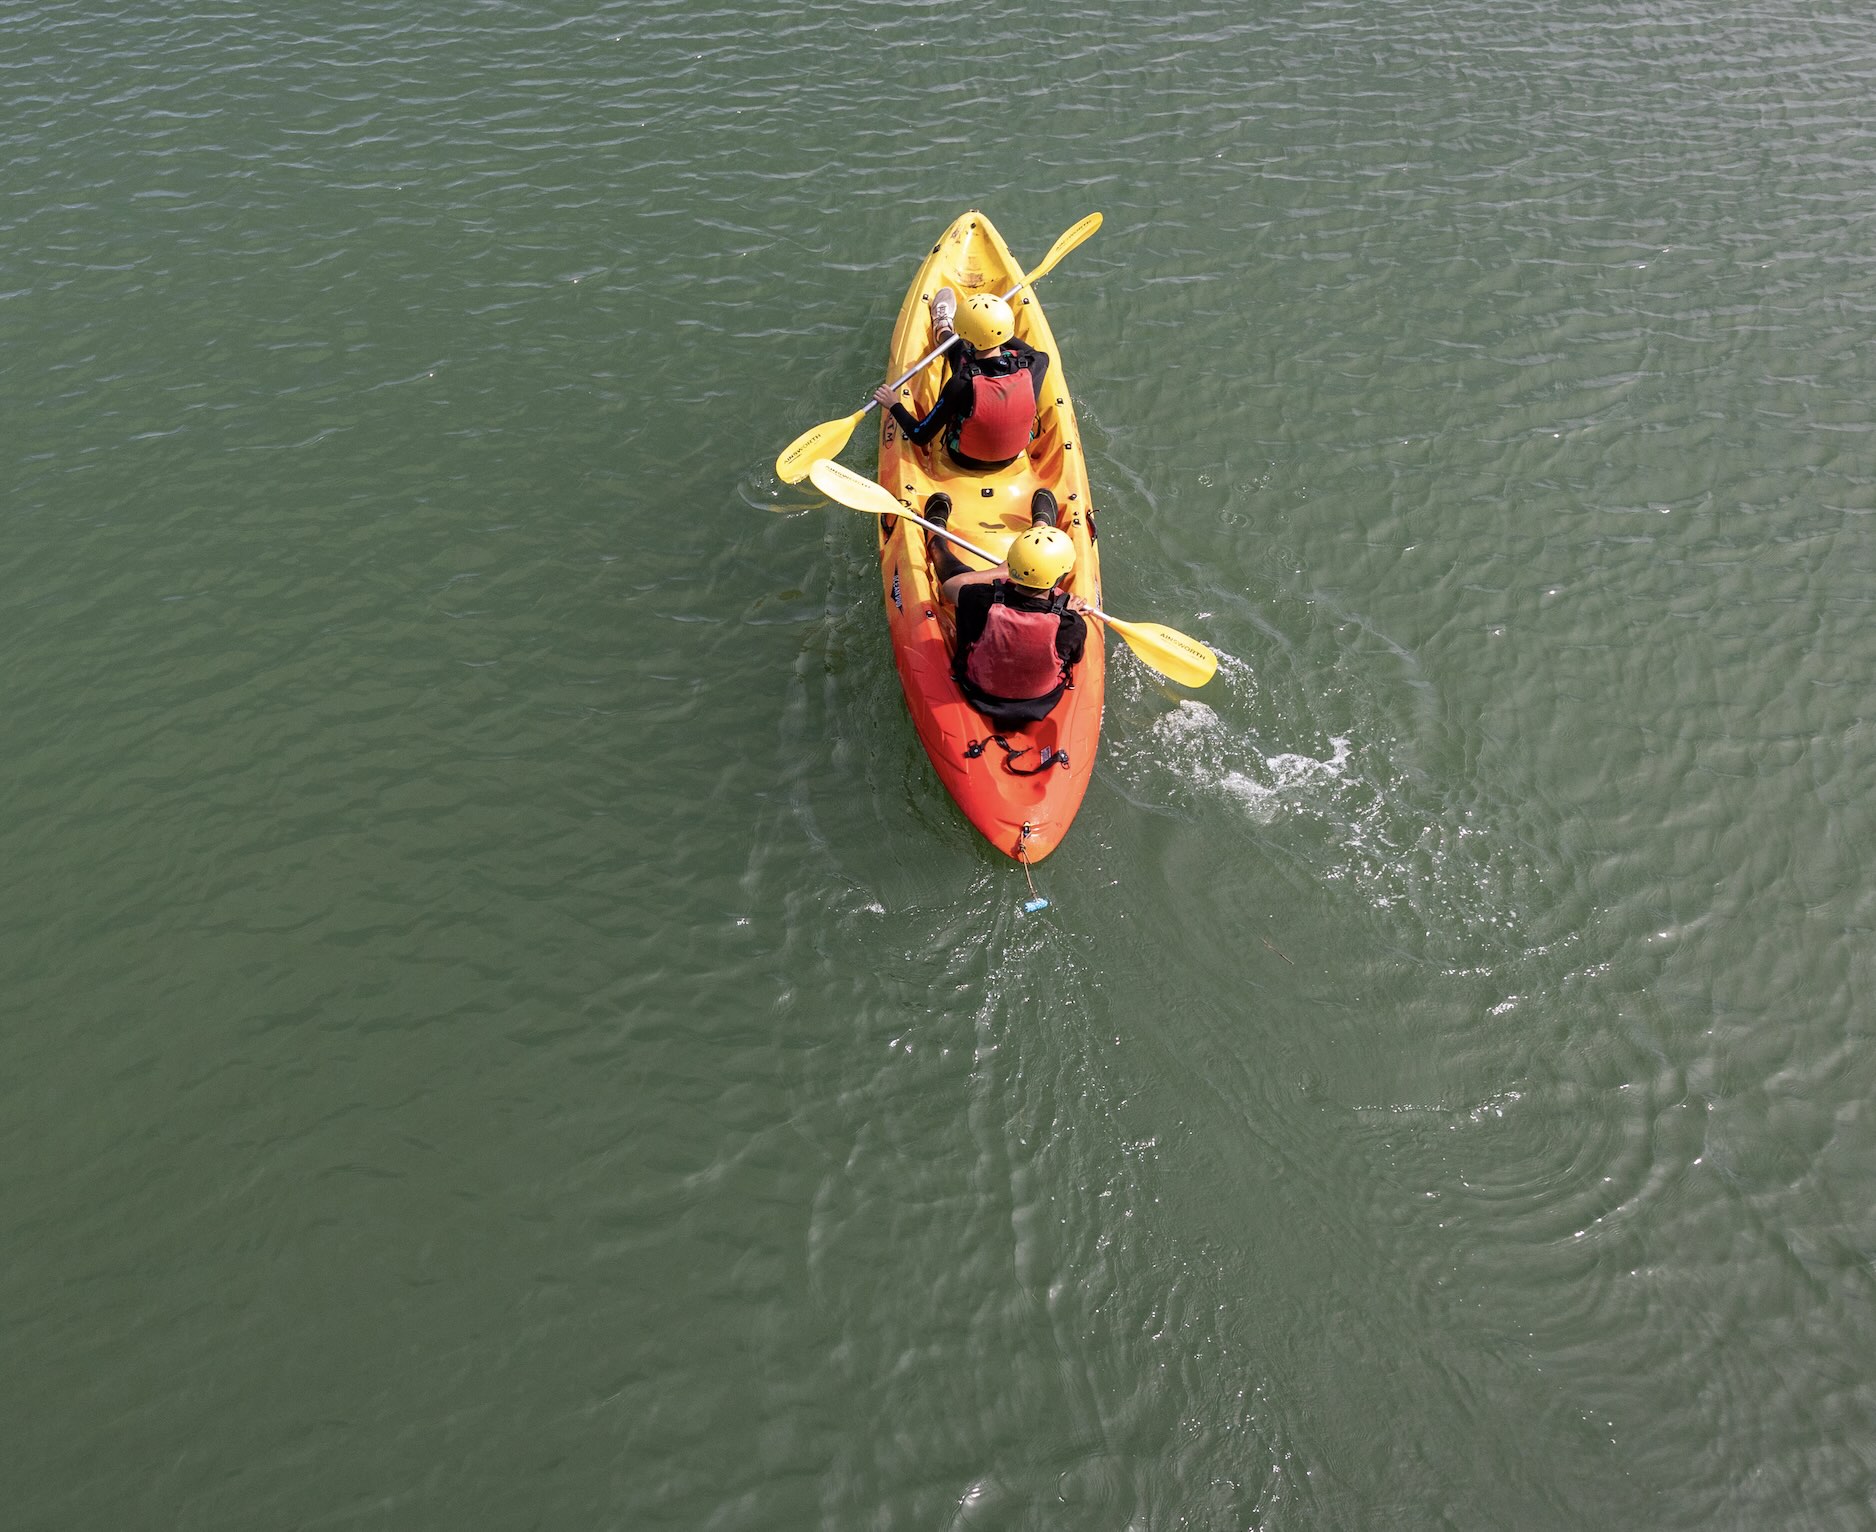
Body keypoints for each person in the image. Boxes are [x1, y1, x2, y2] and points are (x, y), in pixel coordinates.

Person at [921, 491, 1087, 728]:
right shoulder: (1071, 624)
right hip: (1040, 701)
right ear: (1061, 577)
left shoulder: (981, 600)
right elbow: (1074, 658)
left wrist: (1000, 572)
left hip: (977, 690)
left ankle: (936, 537)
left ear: (1013, 563)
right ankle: (1041, 525)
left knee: (957, 571)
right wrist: (1064, 608)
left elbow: (950, 588)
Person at [873, 290, 1051, 472]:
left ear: (966, 336)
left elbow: (920, 435)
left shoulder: (961, 383)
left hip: (964, 458)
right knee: (976, 355)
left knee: (959, 351)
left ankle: (943, 330)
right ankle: (955, 332)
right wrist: (994, 330)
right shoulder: (1036, 365)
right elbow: (1037, 354)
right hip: (1010, 458)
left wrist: (893, 404)